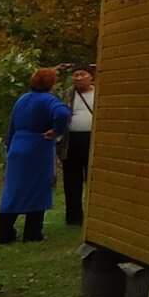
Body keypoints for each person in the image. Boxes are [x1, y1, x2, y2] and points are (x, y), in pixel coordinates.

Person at [0, 67, 71, 243]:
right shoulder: (48, 100)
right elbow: (62, 113)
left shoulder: (22, 99)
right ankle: (32, 233)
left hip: (17, 145)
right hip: (37, 147)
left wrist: (10, 147)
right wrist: (56, 131)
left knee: (13, 190)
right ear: (51, 83)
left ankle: (5, 233)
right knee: (38, 189)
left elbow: (12, 125)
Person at [64, 65, 96, 227]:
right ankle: (74, 216)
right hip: (72, 141)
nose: (78, 78)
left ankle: (94, 215)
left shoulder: (99, 93)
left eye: (82, 74)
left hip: (92, 139)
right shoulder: (67, 94)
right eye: (75, 75)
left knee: (93, 178)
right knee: (71, 179)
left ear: (91, 77)